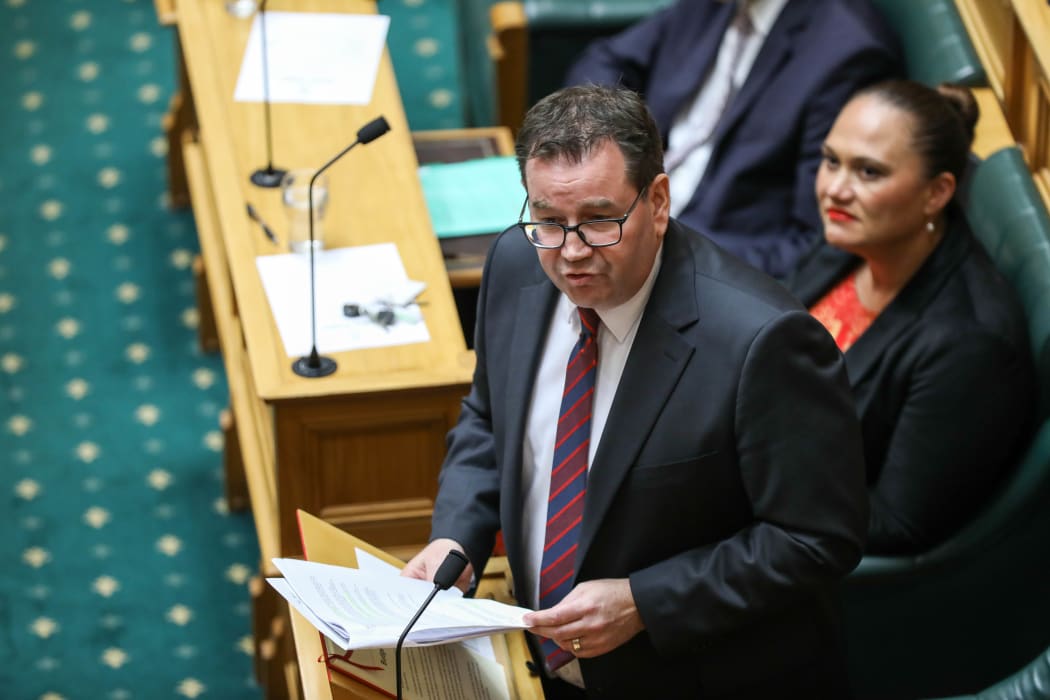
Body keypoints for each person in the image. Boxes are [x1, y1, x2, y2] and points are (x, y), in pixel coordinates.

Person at [403, 85, 869, 698]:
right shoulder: (516, 263)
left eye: (598, 221)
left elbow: (816, 538)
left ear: (657, 200)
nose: (570, 253)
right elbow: (489, 419)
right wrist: (454, 536)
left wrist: (644, 601)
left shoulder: (763, 341)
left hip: (690, 677)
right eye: (547, 220)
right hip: (536, 660)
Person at [785, 80, 1037, 555]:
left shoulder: (969, 346)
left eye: (869, 172)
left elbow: (898, 523)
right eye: (831, 160)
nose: (835, 189)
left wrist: (746, 483)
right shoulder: (852, 242)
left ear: (937, 192)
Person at [564, 0, 901, 278]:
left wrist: (670, 253)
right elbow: (606, 60)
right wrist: (610, 147)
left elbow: (819, 243)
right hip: (622, 202)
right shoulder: (711, 7)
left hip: (695, 259)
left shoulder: (847, 52)